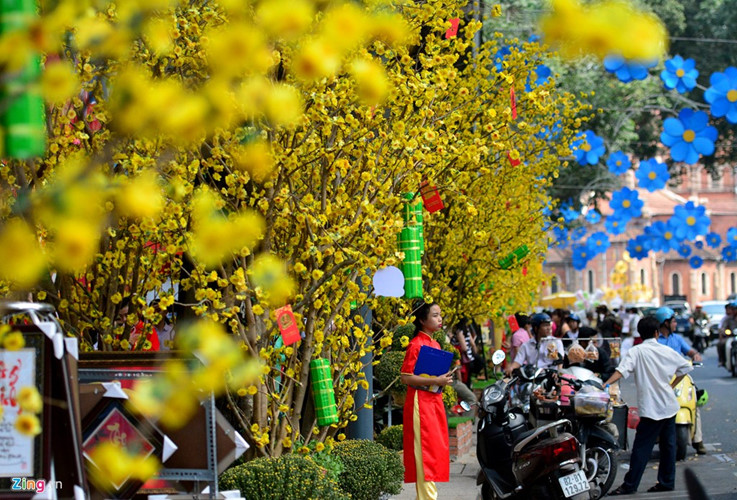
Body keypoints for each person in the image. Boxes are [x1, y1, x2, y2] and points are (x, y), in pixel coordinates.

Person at [606, 316, 693, 495]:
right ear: (656, 332)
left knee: (641, 448)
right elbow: (685, 368)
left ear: (640, 333)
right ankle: (666, 482)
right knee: (668, 447)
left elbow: (621, 371)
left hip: (651, 408)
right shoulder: (666, 350)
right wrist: (671, 385)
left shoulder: (636, 351)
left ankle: (630, 485)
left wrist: (605, 385)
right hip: (669, 405)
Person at [401, 302, 452, 500]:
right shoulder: (415, 345)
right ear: (422, 320)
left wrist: (442, 381)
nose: (440, 319)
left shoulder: (435, 344)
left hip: (433, 401)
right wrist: (435, 380)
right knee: (425, 453)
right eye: (435, 315)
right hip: (419, 404)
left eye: (440, 315)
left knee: (434, 450)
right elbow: (405, 377)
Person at [654, 307, 706, 455]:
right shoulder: (656, 341)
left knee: (694, 400)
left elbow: (689, 351)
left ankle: (698, 439)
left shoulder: (677, 338)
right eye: (673, 321)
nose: (676, 324)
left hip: (681, 376)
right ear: (665, 322)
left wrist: (695, 355)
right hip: (662, 378)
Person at [451, 319, 479, 386]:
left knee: (462, 375)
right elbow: (473, 344)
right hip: (469, 358)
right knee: (467, 378)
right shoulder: (467, 330)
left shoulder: (459, 331)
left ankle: (463, 389)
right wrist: (474, 354)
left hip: (463, 359)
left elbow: (464, 348)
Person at [717, 302, 737, 366]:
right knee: (720, 344)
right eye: (732, 309)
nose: (734, 311)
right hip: (731, 336)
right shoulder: (728, 318)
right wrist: (724, 331)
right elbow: (723, 327)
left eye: (735, 309)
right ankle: (722, 360)